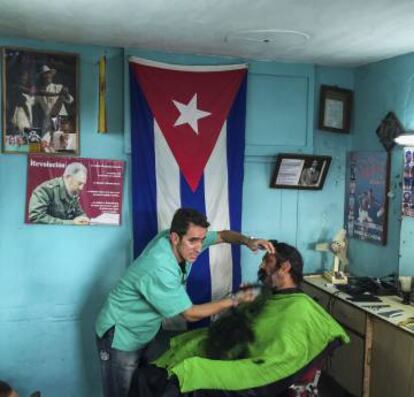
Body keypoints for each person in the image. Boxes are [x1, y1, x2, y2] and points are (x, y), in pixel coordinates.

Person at [95, 208, 275, 397]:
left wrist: (248, 241)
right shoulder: (159, 266)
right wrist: (235, 299)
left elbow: (223, 235)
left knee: (141, 387)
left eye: (202, 240)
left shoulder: (186, 241)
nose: (198, 247)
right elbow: (190, 313)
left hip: (144, 331)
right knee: (122, 393)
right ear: (174, 238)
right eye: (192, 241)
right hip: (120, 333)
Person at [132, 241, 349, 396]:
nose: (261, 266)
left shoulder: (300, 308)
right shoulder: (268, 297)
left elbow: (283, 351)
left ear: (285, 267)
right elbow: (239, 327)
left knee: (190, 370)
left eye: (267, 261)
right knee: (159, 368)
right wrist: (240, 306)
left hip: (253, 366)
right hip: (232, 351)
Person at [34, 65, 74, 134]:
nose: (48, 76)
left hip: (61, 119)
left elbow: (70, 100)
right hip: (48, 121)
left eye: (49, 73)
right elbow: (30, 101)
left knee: (61, 140)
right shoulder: (39, 93)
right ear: (42, 77)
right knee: (47, 141)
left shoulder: (58, 87)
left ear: (51, 75)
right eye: (45, 74)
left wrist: (66, 94)